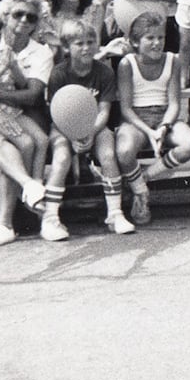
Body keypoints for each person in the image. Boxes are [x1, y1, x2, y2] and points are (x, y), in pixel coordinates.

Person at [0, 0, 56, 246]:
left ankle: (6, 222)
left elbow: (30, 94)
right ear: (5, 15)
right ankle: (31, 190)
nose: (24, 21)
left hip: (19, 115)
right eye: (18, 14)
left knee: (23, 144)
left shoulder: (41, 52)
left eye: (31, 17)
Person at [42, 19, 134, 237]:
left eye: (90, 42)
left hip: (95, 126)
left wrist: (90, 133)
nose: (86, 48)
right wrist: (72, 134)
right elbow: (56, 112)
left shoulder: (104, 72)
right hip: (62, 126)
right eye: (79, 43)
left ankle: (115, 213)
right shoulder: (59, 74)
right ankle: (50, 219)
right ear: (67, 47)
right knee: (62, 157)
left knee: (108, 154)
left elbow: (104, 110)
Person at [115, 11, 190, 225]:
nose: (156, 43)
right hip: (136, 119)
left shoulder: (173, 60)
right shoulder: (127, 64)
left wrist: (163, 127)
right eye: (150, 38)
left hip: (165, 117)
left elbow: (174, 103)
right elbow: (126, 108)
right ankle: (142, 194)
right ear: (135, 41)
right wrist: (149, 131)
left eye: (160, 38)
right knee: (124, 151)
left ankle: (142, 179)